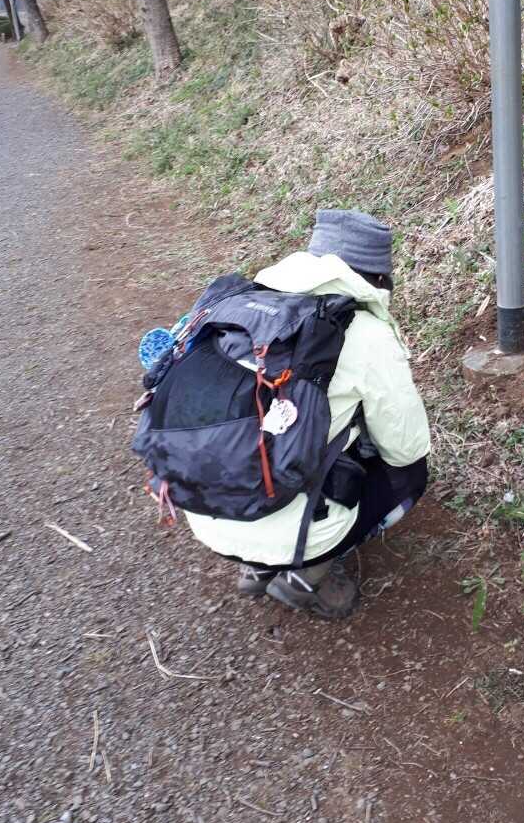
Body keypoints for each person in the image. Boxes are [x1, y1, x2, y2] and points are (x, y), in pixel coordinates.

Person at [183, 209, 430, 620]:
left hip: (202, 511)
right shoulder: (365, 333)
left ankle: (256, 565)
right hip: (293, 532)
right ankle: (306, 576)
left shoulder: (238, 309)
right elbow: (405, 449)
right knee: (411, 474)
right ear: (378, 278)